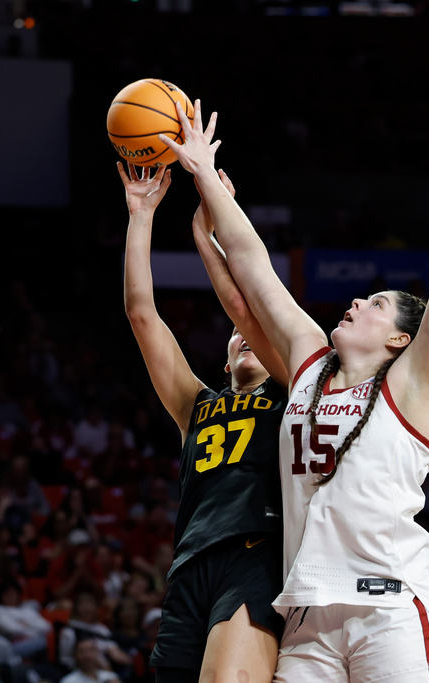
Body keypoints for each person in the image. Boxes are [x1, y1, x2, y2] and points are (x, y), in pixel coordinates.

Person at [162, 83, 429, 682]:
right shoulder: (306, 366)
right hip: (306, 620)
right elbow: (253, 266)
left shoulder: (415, 385)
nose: (357, 301)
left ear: (400, 338)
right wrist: (203, 172)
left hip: (391, 610)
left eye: (376, 303)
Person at [117, 157, 290, 682]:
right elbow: (141, 313)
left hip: (256, 554)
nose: (246, 333)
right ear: (224, 354)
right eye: (238, 332)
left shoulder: (292, 390)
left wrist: (214, 212)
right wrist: (141, 215)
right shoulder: (197, 405)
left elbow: (246, 298)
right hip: (190, 562)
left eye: (256, 330)